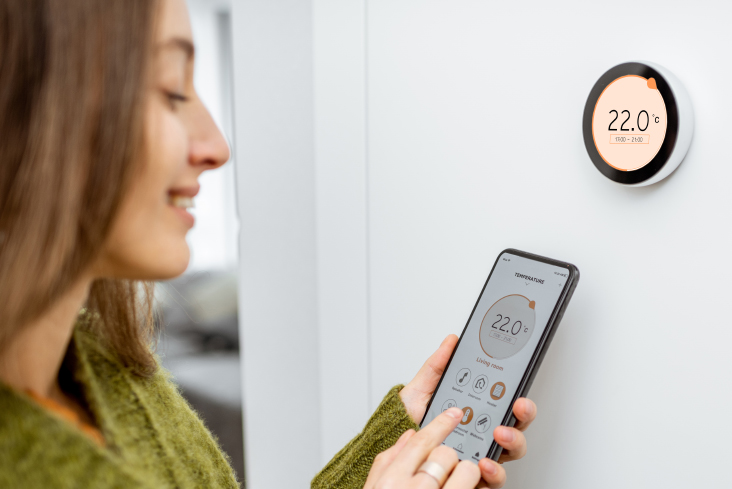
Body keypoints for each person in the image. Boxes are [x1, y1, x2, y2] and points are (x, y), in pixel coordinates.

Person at [0, 0, 537, 488]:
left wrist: (393, 446)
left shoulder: (108, 364)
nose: (216, 146)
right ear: (28, 111)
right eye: (170, 91)